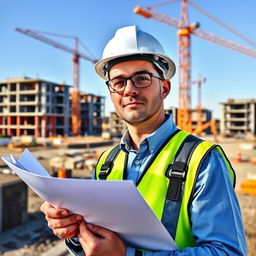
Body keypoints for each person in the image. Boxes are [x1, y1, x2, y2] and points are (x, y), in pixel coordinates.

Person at [40, 25, 247, 256]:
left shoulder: (203, 160)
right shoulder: (106, 164)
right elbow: (97, 242)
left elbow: (228, 252)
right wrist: (75, 234)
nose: (129, 90)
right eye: (118, 82)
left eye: (142, 78)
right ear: (111, 92)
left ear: (165, 87)